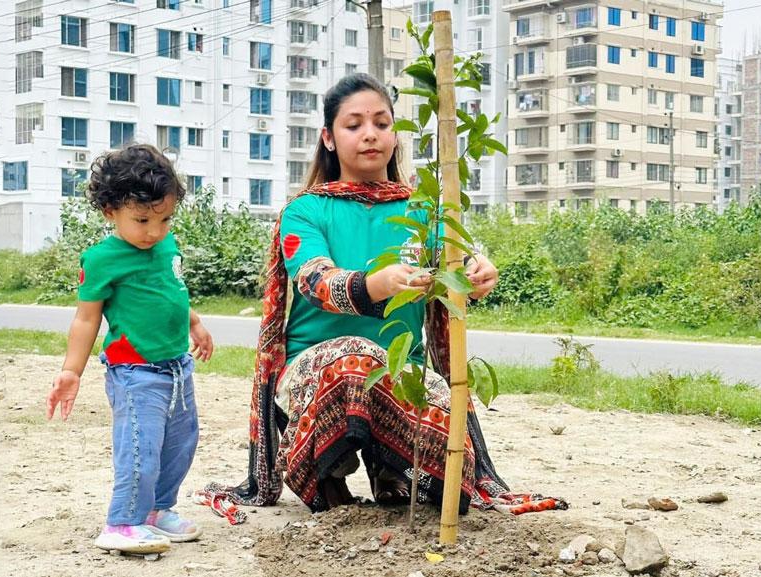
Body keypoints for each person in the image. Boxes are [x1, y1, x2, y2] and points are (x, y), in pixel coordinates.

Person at [197, 73, 566, 519]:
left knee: (442, 405)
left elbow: (456, 264)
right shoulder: (306, 211)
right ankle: (327, 476)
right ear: (328, 139)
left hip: (400, 370)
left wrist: (475, 270)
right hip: (315, 373)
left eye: (382, 123)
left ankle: (392, 471)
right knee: (353, 359)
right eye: (354, 125)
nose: (370, 134)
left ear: (395, 134)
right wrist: (378, 283)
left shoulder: (422, 211)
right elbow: (316, 280)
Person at [46, 144, 214, 556]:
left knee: (180, 443)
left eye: (165, 218)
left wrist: (195, 323)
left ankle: (157, 510)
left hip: (178, 368)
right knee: (140, 448)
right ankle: (122, 522)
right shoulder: (103, 259)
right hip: (135, 373)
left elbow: (172, 291)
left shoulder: (166, 244)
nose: (154, 230)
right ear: (110, 210)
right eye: (142, 220)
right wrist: (72, 370)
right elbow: (86, 319)